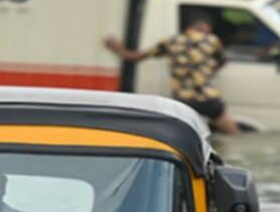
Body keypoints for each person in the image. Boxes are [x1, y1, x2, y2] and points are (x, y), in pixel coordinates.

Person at [103, 13, 243, 135]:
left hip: (182, 100)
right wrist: (209, 72)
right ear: (205, 26)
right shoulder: (211, 40)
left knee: (179, 135)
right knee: (233, 133)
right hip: (208, 98)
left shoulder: (171, 41)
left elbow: (134, 57)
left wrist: (117, 48)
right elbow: (222, 61)